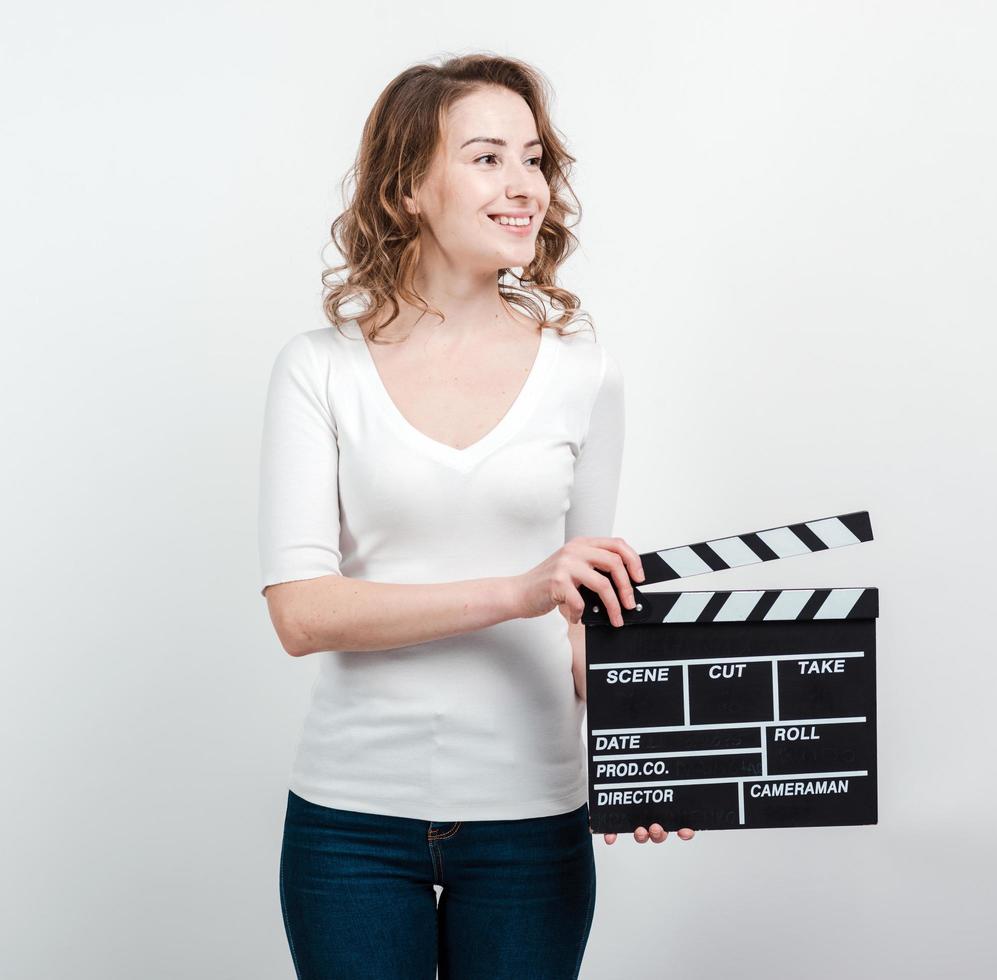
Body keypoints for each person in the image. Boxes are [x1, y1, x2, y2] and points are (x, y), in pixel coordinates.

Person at [259, 53, 693, 980]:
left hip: (532, 823)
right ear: (410, 185)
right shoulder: (318, 369)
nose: (524, 187)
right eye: (487, 157)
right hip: (350, 826)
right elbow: (303, 613)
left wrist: (655, 750)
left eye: (534, 159)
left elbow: (589, 616)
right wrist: (518, 588)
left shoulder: (585, 369)